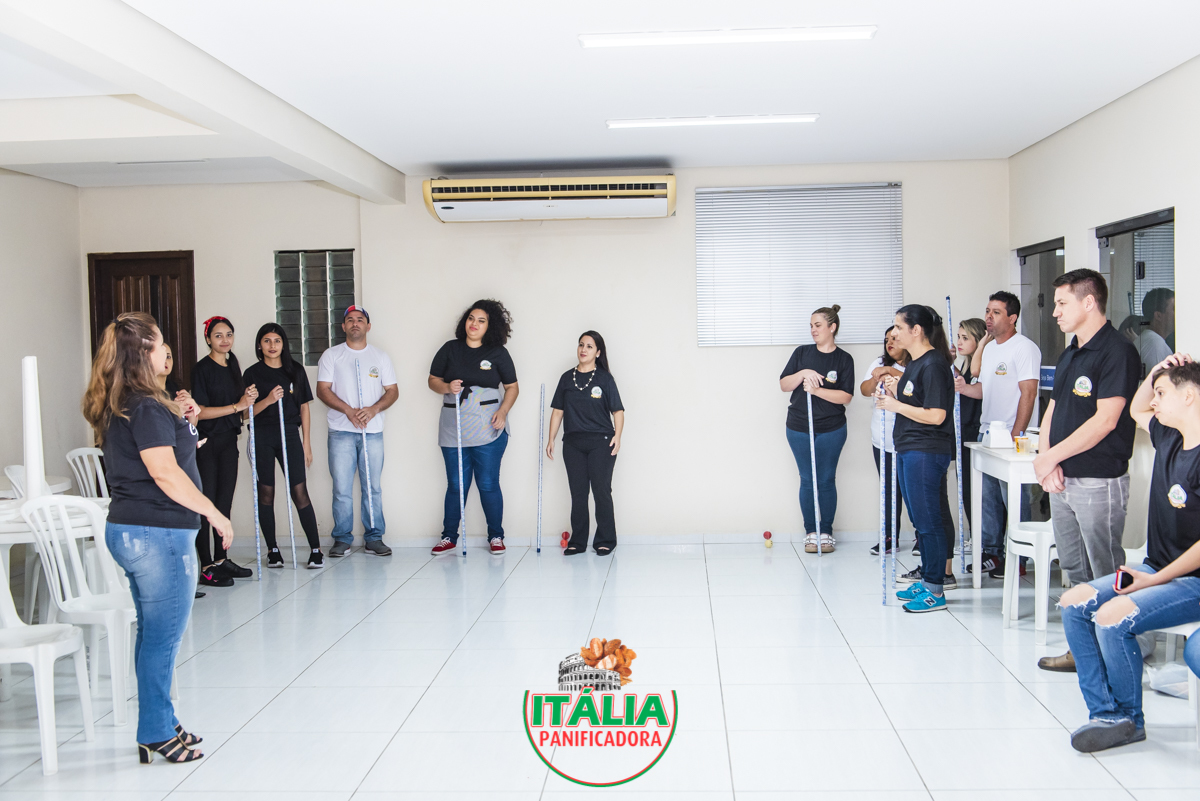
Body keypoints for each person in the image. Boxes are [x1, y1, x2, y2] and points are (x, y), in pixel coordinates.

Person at [82, 312, 232, 763]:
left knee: (153, 635)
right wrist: (215, 514)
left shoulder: (130, 401)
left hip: (136, 530)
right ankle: (155, 731)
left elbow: (162, 457)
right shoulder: (145, 405)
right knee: (163, 639)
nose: (166, 349)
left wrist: (187, 429)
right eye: (160, 342)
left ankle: (162, 720)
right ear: (143, 351)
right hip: (157, 533)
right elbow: (164, 473)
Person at [1058, 354, 1200, 752]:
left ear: (1190, 396)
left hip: (1191, 581)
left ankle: (1129, 720)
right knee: (1073, 603)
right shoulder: (1169, 437)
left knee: (1111, 616)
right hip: (1158, 569)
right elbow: (1137, 409)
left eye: (1162, 393)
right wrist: (1156, 372)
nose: (1153, 400)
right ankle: (1105, 713)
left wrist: (1155, 579)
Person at [1034, 269, 1141, 672]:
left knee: (1105, 570)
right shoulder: (1070, 352)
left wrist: (1051, 458)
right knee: (1075, 570)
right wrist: (1046, 459)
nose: (1056, 312)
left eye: (1062, 303)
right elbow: (1053, 409)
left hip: (1099, 479)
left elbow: (1106, 421)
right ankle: (1084, 652)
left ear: (1089, 302)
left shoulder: (1118, 351)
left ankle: (1118, 655)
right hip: (1062, 479)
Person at [877, 304, 956, 611]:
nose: (894, 333)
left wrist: (896, 406)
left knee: (929, 521)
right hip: (910, 448)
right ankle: (927, 580)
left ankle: (935, 590)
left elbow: (937, 415)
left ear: (916, 330)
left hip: (926, 451)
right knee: (921, 520)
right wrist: (894, 394)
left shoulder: (934, 364)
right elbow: (918, 402)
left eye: (898, 327)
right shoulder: (915, 363)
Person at [427, 299, 519, 555]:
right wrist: (447, 387)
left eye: (481, 320)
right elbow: (432, 380)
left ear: (490, 326)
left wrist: (503, 411)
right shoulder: (450, 349)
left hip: (488, 429)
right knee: (456, 485)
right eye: (471, 318)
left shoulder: (498, 353)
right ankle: (449, 536)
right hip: (453, 429)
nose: (474, 324)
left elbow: (512, 387)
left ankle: (496, 536)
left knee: (488, 484)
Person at [960, 292, 1041, 579]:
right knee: (988, 499)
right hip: (988, 433)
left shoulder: (1024, 348)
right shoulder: (991, 348)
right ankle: (992, 553)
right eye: (987, 311)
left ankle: (1019, 557)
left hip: (1012, 435)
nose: (989, 317)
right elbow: (983, 389)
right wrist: (962, 387)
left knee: (1014, 499)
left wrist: (1017, 435)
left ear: (1012, 318)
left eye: (996, 312)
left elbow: (1028, 393)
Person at [316, 306, 398, 557]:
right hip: (340, 431)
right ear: (343, 326)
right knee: (341, 489)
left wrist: (373, 410)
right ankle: (342, 538)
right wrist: (348, 411)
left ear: (368, 326)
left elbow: (393, 391)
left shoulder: (380, 356)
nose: (355, 323)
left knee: (372, 488)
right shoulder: (332, 355)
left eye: (360, 320)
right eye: (350, 320)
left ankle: (374, 537)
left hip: (372, 432)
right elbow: (322, 389)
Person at [243, 323, 324, 569]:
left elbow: (304, 408)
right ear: (260, 345)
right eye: (267, 341)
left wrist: (306, 443)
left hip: (289, 434)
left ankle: (316, 549)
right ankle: (273, 550)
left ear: (283, 344)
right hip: (262, 435)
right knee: (266, 493)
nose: (272, 345)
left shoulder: (295, 371)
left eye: (277, 341)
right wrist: (268, 400)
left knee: (299, 492)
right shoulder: (252, 373)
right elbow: (244, 413)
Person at [779, 305, 855, 553]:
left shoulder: (843, 359)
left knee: (825, 479)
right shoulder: (802, 353)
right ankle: (811, 532)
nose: (813, 330)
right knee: (807, 479)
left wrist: (817, 390)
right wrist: (803, 373)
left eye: (818, 325)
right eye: (811, 326)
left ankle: (826, 532)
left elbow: (846, 397)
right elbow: (784, 384)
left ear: (832, 327)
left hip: (831, 429)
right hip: (799, 427)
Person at [190, 316, 257, 586]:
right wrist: (237, 406)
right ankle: (206, 564)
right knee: (206, 504)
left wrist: (248, 402)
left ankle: (221, 558)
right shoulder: (201, 369)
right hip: (207, 443)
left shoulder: (233, 366)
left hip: (229, 441)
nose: (225, 340)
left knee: (224, 502)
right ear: (208, 339)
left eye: (229, 334)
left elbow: (239, 410)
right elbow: (200, 412)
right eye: (218, 335)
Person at [546, 331, 625, 555]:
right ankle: (578, 541)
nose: (584, 349)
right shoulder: (566, 378)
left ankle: (606, 539)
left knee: (601, 491)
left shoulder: (605, 379)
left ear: (598, 352)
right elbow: (558, 412)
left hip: (601, 442)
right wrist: (551, 438)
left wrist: (618, 436)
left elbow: (618, 411)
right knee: (578, 493)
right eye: (581, 345)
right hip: (573, 444)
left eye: (590, 346)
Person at [861, 326, 909, 555]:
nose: (889, 343)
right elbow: (864, 390)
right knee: (889, 491)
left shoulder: (917, 364)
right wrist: (877, 377)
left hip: (908, 440)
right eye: (886, 339)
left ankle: (921, 537)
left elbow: (914, 386)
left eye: (895, 338)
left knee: (912, 491)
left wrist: (892, 372)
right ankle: (890, 537)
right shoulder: (878, 363)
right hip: (882, 439)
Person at [1137, 288, 1175, 376]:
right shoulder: (1155, 345)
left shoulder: (1150, 340)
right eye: (1174, 309)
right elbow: (1157, 382)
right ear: (1158, 316)